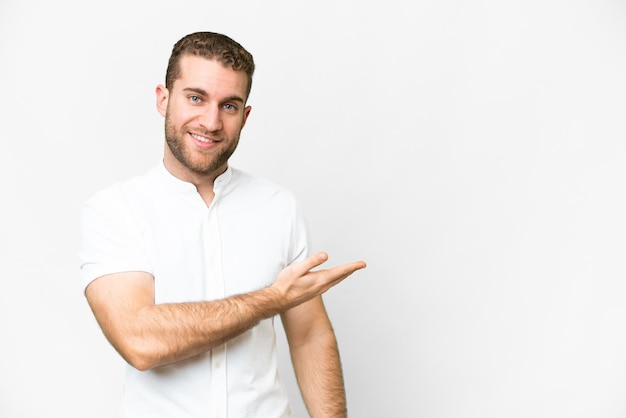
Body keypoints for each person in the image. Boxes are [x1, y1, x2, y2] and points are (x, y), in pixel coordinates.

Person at [79, 31, 366, 418]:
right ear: (163, 99)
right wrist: (271, 299)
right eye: (195, 98)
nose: (211, 122)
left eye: (229, 106)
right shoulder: (115, 210)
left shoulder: (278, 207)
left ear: (245, 116)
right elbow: (139, 341)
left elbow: (309, 336)